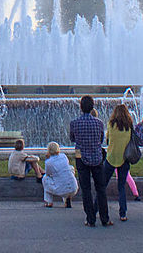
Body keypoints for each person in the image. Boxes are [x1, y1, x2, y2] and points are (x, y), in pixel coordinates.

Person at [69, 95, 110, 227]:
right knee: (101, 189)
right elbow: (101, 140)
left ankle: (90, 218)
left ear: (81, 107)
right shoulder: (99, 123)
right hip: (97, 158)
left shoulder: (74, 123)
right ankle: (105, 218)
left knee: (86, 190)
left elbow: (72, 139)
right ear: (92, 107)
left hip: (82, 158)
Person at [102, 104, 133, 221]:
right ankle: (123, 213)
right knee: (121, 187)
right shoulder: (129, 126)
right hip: (124, 158)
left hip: (111, 158)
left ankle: (95, 209)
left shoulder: (111, 124)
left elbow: (107, 139)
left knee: (102, 186)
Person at [42, 142, 78, 208]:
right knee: (71, 168)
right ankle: (67, 199)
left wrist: (47, 159)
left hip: (61, 190)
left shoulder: (49, 162)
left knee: (45, 178)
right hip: (74, 188)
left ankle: (49, 202)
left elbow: (48, 174)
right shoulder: (63, 156)